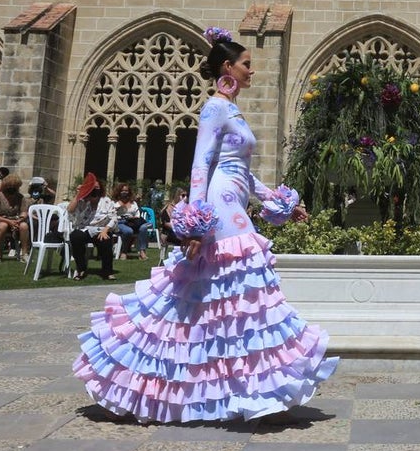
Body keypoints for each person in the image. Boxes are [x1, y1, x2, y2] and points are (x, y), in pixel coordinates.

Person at [73, 25, 337, 422]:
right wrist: (195, 224)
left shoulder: (232, 109)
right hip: (219, 205)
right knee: (237, 291)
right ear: (227, 66)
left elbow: (242, 173)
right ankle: (228, 387)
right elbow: (202, 164)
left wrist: (279, 200)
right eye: (247, 65)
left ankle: (228, 389)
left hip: (232, 201)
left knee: (217, 298)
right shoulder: (215, 107)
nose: (252, 71)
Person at [66, 173, 118, 280]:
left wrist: (105, 230)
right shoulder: (82, 201)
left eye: (97, 188)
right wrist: (79, 194)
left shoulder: (107, 201)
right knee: (75, 237)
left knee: (106, 240)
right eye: (92, 188)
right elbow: (70, 210)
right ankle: (81, 269)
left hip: (101, 229)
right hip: (84, 228)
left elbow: (114, 218)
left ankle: (107, 271)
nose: (95, 190)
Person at [0, 174, 33, 263]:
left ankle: (24, 254)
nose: (13, 188)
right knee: (3, 226)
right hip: (0, 221)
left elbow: (24, 212)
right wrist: (8, 221)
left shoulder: (20, 197)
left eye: (15, 187)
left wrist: (19, 220)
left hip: (15, 220)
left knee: (24, 226)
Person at [114, 183, 150, 260]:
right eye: (122, 191)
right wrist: (118, 207)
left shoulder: (133, 203)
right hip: (120, 222)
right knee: (128, 231)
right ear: (119, 192)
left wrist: (133, 217)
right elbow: (111, 214)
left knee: (143, 227)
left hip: (132, 222)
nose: (124, 192)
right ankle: (124, 251)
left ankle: (142, 251)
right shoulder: (115, 202)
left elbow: (137, 214)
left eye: (126, 191)